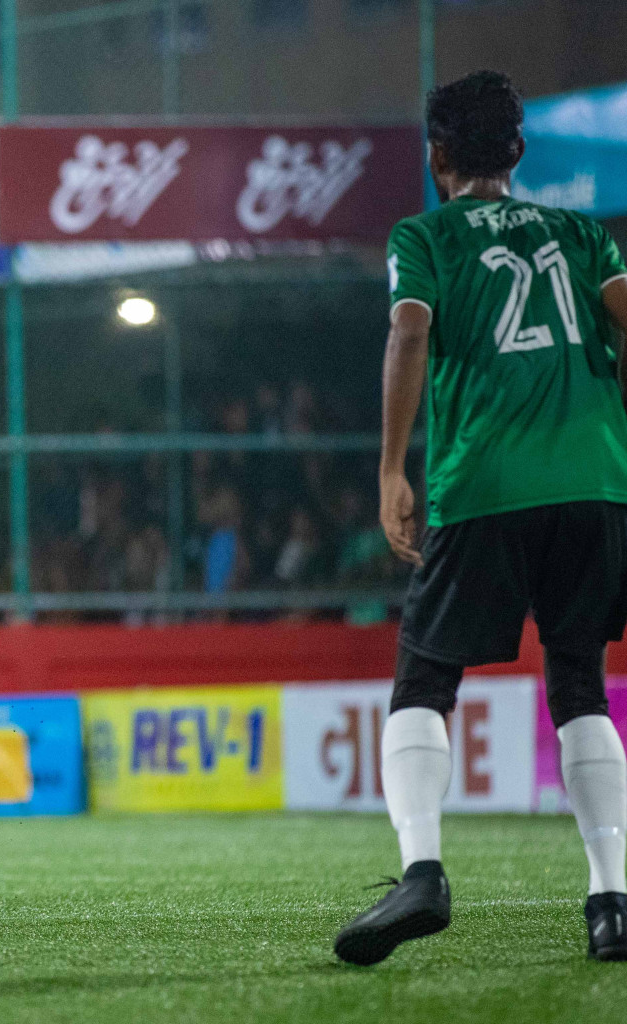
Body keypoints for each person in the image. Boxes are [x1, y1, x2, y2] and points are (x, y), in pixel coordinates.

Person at [334, 70, 627, 967]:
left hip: (484, 481)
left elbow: (410, 331)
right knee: (579, 678)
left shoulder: (425, 234)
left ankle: (422, 870)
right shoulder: (581, 233)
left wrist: (392, 470)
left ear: (438, 157)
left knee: (425, 677)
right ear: (519, 152)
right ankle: (611, 899)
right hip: (596, 484)